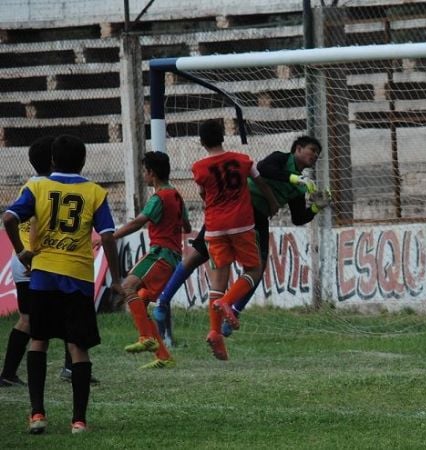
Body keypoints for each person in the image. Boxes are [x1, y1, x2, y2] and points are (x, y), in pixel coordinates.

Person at [2, 134, 122, 434]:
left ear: (53, 160)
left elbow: (9, 218)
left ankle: (37, 414)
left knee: (39, 340)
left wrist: (21, 252)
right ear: (83, 161)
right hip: (78, 277)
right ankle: (79, 420)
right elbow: (107, 235)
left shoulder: (37, 186)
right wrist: (117, 278)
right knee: (78, 347)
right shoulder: (94, 191)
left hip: (42, 276)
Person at [153, 135, 329, 337]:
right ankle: (173, 302)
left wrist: (316, 207)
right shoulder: (281, 158)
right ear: (297, 149)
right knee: (213, 260)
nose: (315, 155)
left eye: (318, 153)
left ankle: (225, 314)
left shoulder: (301, 185)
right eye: (312, 150)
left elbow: (298, 217)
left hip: (252, 217)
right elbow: (264, 170)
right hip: (242, 209)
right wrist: (292, 178)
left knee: (234, 264)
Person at [1, 137, 98, 387]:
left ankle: (18, 372)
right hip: (34, 261)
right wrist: (27, 252)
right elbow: (25, 222)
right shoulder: (43, 187)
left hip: (31, 260)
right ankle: (11, 373)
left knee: (34, 318)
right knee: (34, 319)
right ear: (53, 160)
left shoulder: (35, 185)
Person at [190, 119, 277, 360]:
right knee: (254, 270)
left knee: (217, 282)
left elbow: (203, 195)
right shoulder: (243, 160)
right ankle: (228, 302)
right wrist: (272, 204)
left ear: (202, 142)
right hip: (241, 225)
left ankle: (215, 333)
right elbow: (260, 184)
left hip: (215, 228)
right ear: (222, 137)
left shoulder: (198, 168)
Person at [110, 152, 190, 369]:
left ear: (151, 173)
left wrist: (111, 236)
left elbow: (138, 222)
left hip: (161, 254)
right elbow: (187, 226)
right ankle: (164, 356)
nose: (144, 175)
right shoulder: (177, 195)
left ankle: (146, 338)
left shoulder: (159, 197)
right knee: (141, 301)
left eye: (144, 171)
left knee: (127, 287)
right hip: (172, 256)